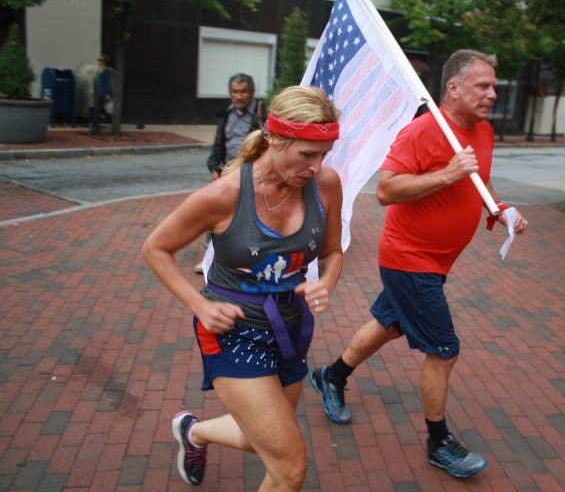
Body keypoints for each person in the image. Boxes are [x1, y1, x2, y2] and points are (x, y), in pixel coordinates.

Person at [309, 49, 529, 479]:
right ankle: (438, 440)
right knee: (444, 350)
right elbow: (387, 190)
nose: (492, 95)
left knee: (390, 324)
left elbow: (478, 183)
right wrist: (446, 174)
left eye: (494, 88)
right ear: (453, 88)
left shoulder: (483, 131)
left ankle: (330, 376)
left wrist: (500, 209)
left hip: (437, 262)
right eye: (482, 86)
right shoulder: (424, 131)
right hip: (409, 259)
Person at [141, 85, 343, 490]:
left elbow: (333, 250)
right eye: (307, 154)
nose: (317, 167)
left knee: (263, 441)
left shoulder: (325, 185)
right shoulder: (225, 194)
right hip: (233, 332)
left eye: (324, 154)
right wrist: (198, 304)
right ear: (273, 139)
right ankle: (195, 432)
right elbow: (155, 248)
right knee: (289, 466)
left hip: (290, 327)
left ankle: (193, 433)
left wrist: (326, 282)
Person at [195, 73, 263, 273]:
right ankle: (209, 259)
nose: (239, 96)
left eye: (243, 92)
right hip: (226, 173)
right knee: (214, 212)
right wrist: (215, 168)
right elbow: (219, 144)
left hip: (251, 173)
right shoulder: (226, 113)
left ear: (252, 92)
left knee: (249, 216)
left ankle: (250, 258)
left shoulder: (261, 114)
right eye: (235, 91)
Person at [90, 54, 113, 134]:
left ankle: (95, 128)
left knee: (96, 110)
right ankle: (110, 120)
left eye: (101, 60)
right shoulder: (97, 70)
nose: (99, 61)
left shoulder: (107, 71)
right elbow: (94, 80)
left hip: (102, 92)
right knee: (99, 110)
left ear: (104, 61)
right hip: (97, 92)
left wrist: (108, 93)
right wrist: (93, 88)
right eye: (99, 60)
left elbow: (108, 83)